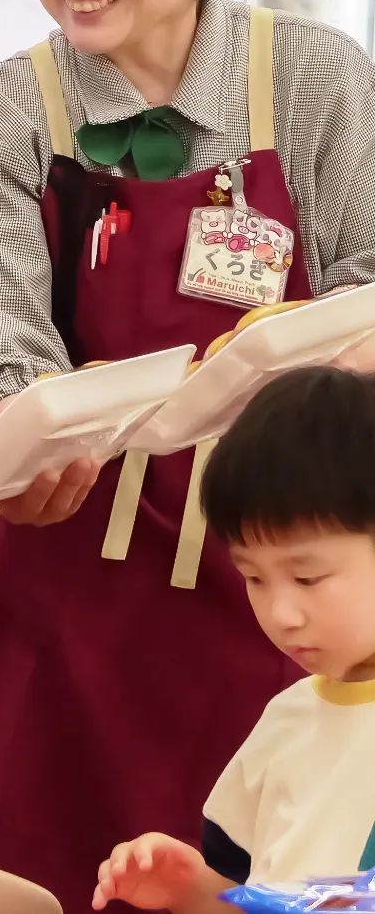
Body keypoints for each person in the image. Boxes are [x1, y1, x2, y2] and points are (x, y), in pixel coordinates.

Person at [0, 0, 375, 911]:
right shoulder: (10, 109)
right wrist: (14, 442)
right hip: (53, 586)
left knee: (245, 873)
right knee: (28, 872)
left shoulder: (312, 79)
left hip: (261, 574)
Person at [94, 366, 375, 910]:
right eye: (254, 578)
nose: (281, 614)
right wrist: (196, 891)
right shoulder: (288, 719)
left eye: (308, 577)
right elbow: (261, 897)